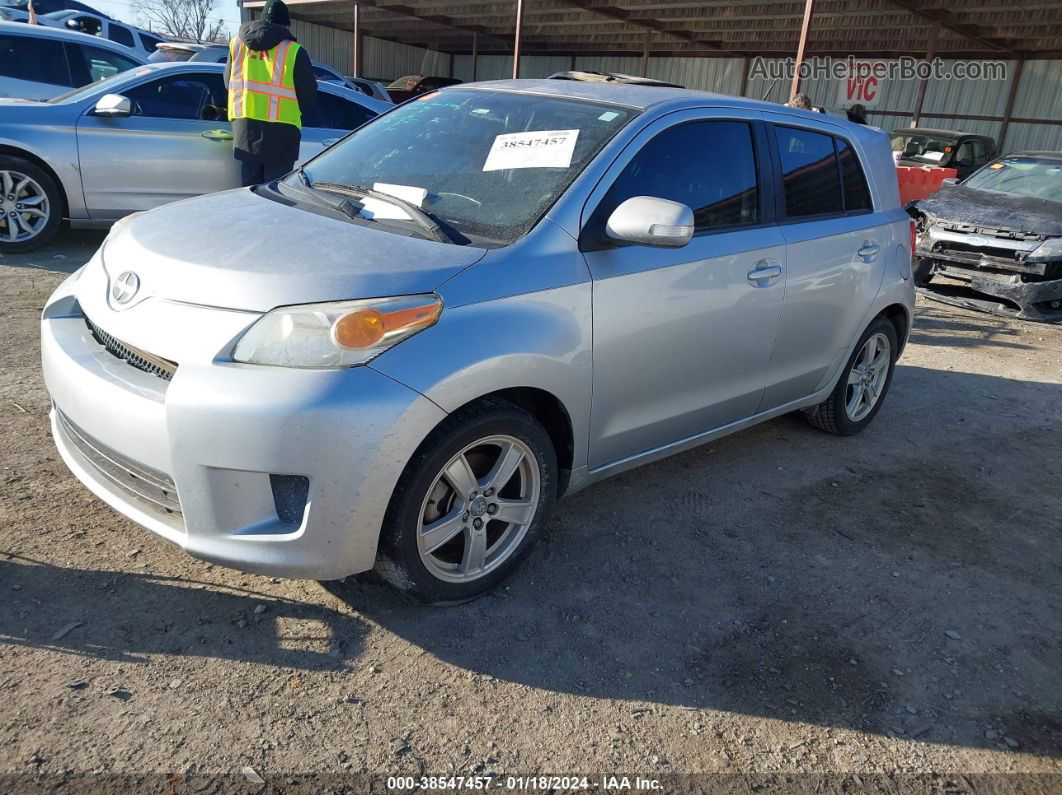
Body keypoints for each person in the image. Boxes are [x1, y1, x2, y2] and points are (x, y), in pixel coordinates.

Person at [224, 0, 317, 187]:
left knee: (250, 193)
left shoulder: (237, 45)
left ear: (263, 19)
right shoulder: (293, 50)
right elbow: (308, 95)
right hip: (281, 134)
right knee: (274, 196)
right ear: (285, 23)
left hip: (245, 130)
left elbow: (228, 83)